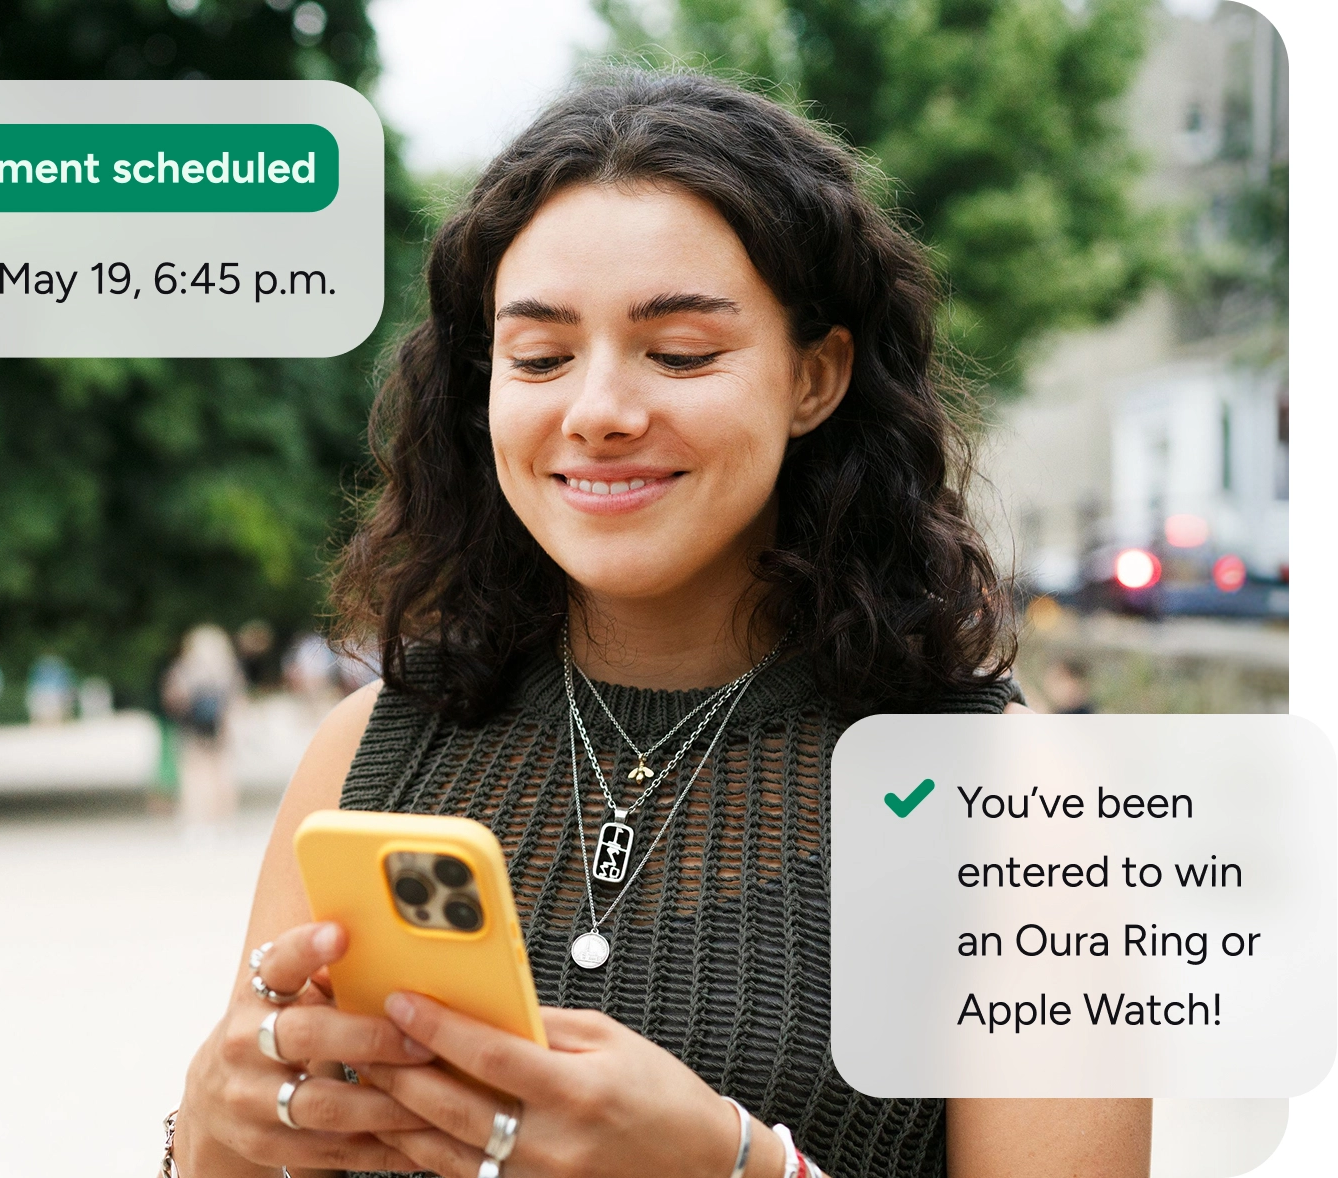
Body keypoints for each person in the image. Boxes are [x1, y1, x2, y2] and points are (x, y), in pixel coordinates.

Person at [171, 73, 1150, 1178]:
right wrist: (207, 1135)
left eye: (680, 352)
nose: (597, 410)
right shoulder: (367, 751)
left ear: (815, 377)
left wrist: (731, 1164)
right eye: (538, 358)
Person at [164, 623, 247, 831]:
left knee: (194, 775)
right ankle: (224, 820)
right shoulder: (228, 669)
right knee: (223, 774)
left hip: (192, 729)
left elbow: (174, 699)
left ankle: (198, 821)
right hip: (221, 728)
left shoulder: (185, 669)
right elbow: (238, 702)